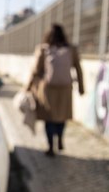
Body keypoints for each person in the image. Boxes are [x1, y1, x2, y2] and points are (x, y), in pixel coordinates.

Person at [26, 24, 84, 157]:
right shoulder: (71, 49)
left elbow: (36, 70)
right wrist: (81, 87)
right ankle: (60, 138)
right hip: (66, 88)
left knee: (49, 117)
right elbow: (78, 69)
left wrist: (28, 87)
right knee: (62, 116)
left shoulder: (44, 49)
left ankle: (51, 146)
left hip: (48, 89)